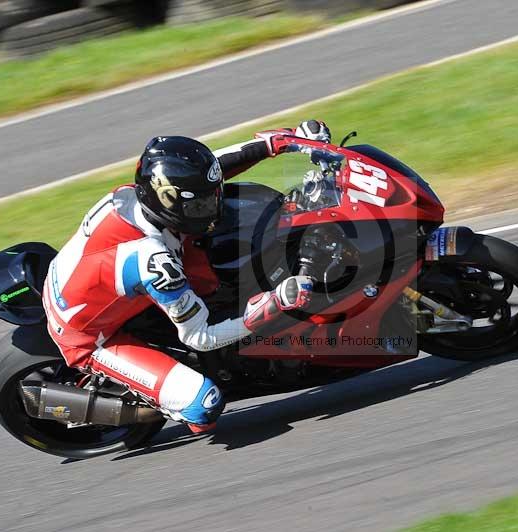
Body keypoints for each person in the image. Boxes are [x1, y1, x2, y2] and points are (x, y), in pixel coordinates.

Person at [41, 120, 332, 433]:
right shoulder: (154, 262)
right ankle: (144, 405)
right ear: (171, 206)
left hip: (86, 283)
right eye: (203, 205)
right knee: (204, 404)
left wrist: (278, 144)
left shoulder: (138, 196)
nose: (215, 206)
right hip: (89, 335)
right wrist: (275, 302)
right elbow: (200, 337)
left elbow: (212, 170)